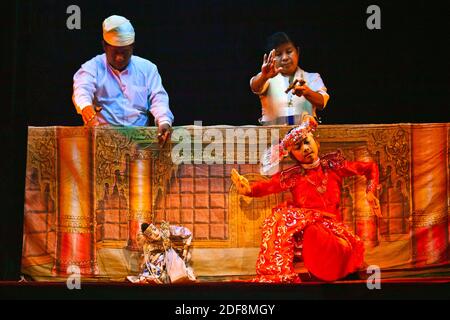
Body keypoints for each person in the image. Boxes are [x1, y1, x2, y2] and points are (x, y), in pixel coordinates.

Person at [231, 116, 381, 283]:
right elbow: (268, 187)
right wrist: (249, 190)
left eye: (307, 142)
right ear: (293, 155)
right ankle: (280, 273)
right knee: (282, 218)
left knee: (344, 251)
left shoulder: (333, 166)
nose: (305, 148)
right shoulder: (293, 176)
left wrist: (370, 191)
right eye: (298, 147)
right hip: (308, 228)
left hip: (333, 228)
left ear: (316, 142)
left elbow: (370, 168)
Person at [72, 15, 174, 146]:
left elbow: (158, 99)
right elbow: (82, 89)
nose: (119, 58)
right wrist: (86, 107)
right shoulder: (92, 67)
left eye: (124, 52)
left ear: (133, 46)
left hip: (140, 144)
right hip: (102, 142)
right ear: (104, 46)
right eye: (115, 52)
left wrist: (164, 121)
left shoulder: (148, 69)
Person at [250, 32, 330, 125]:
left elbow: (322, 102)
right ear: (272, 57)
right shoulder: (266, 77)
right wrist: (263, 76)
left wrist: (307, 92)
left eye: (289, 52)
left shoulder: (312, 77)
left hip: (304, 137)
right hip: (274, 137)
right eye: (278, 54)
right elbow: (254, 87)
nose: (284, 58)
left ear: (298, 52)